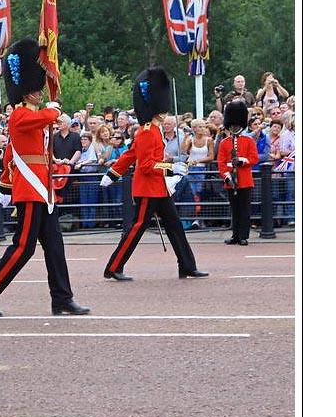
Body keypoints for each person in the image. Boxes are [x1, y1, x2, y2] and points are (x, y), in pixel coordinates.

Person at [0, 38, 90, 317]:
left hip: (43, 188)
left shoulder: (35, 113)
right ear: (26, 92)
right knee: (23, 248)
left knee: (55, 247)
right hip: (29, 188)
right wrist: (54, 109)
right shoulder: (20, 115)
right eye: (36, 88)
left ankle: (62, 298)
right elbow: (47, 117)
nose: (39, 92)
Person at [100, 66, 208, 281]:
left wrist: (113, 173)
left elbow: (130, 155)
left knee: (175, 227)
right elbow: (147, 165)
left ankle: (187, 265)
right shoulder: (147, 132)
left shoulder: (153, 130)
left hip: (159, 189)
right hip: (148, 189)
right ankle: (113, 267)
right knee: (136, 229)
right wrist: (171, 168)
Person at [217, 99, 259, 245]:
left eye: (236, 124)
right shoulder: (224, 143)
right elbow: (221, 163)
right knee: (234, 209)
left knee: (244, 209)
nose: (234, 127)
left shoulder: (249, 141)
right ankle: (235, 234)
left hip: (245, 179)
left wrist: (242, 161)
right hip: (231, 180)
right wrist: (227, 176)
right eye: (232, 125)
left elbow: (254, 159)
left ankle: (243, 236)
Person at [182, 118, 215, 229]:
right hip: (191, 169)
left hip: (202, 169)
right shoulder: (191, 139)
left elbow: (211, 156)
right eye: (199, 126)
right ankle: (192, 218)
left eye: (203, 126)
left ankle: (199, 218)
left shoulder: (209, 140)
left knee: (199, 193)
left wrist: (199, 161)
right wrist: (186, 138)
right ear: (194, 129)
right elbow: (184, 151)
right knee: (192, 193)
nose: (202, 129)